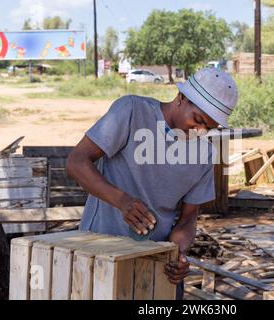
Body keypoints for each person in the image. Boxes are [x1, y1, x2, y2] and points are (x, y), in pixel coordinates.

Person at [66, 68, 238, 299]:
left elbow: (188, 219)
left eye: (208, 128)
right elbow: (76, 162)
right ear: (181, 98)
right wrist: (121, 201)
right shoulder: (132, 112)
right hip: (99, 254)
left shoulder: (204, 154)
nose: (199, 131)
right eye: (197, 120)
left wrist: (177, 253)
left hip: (157, 265)